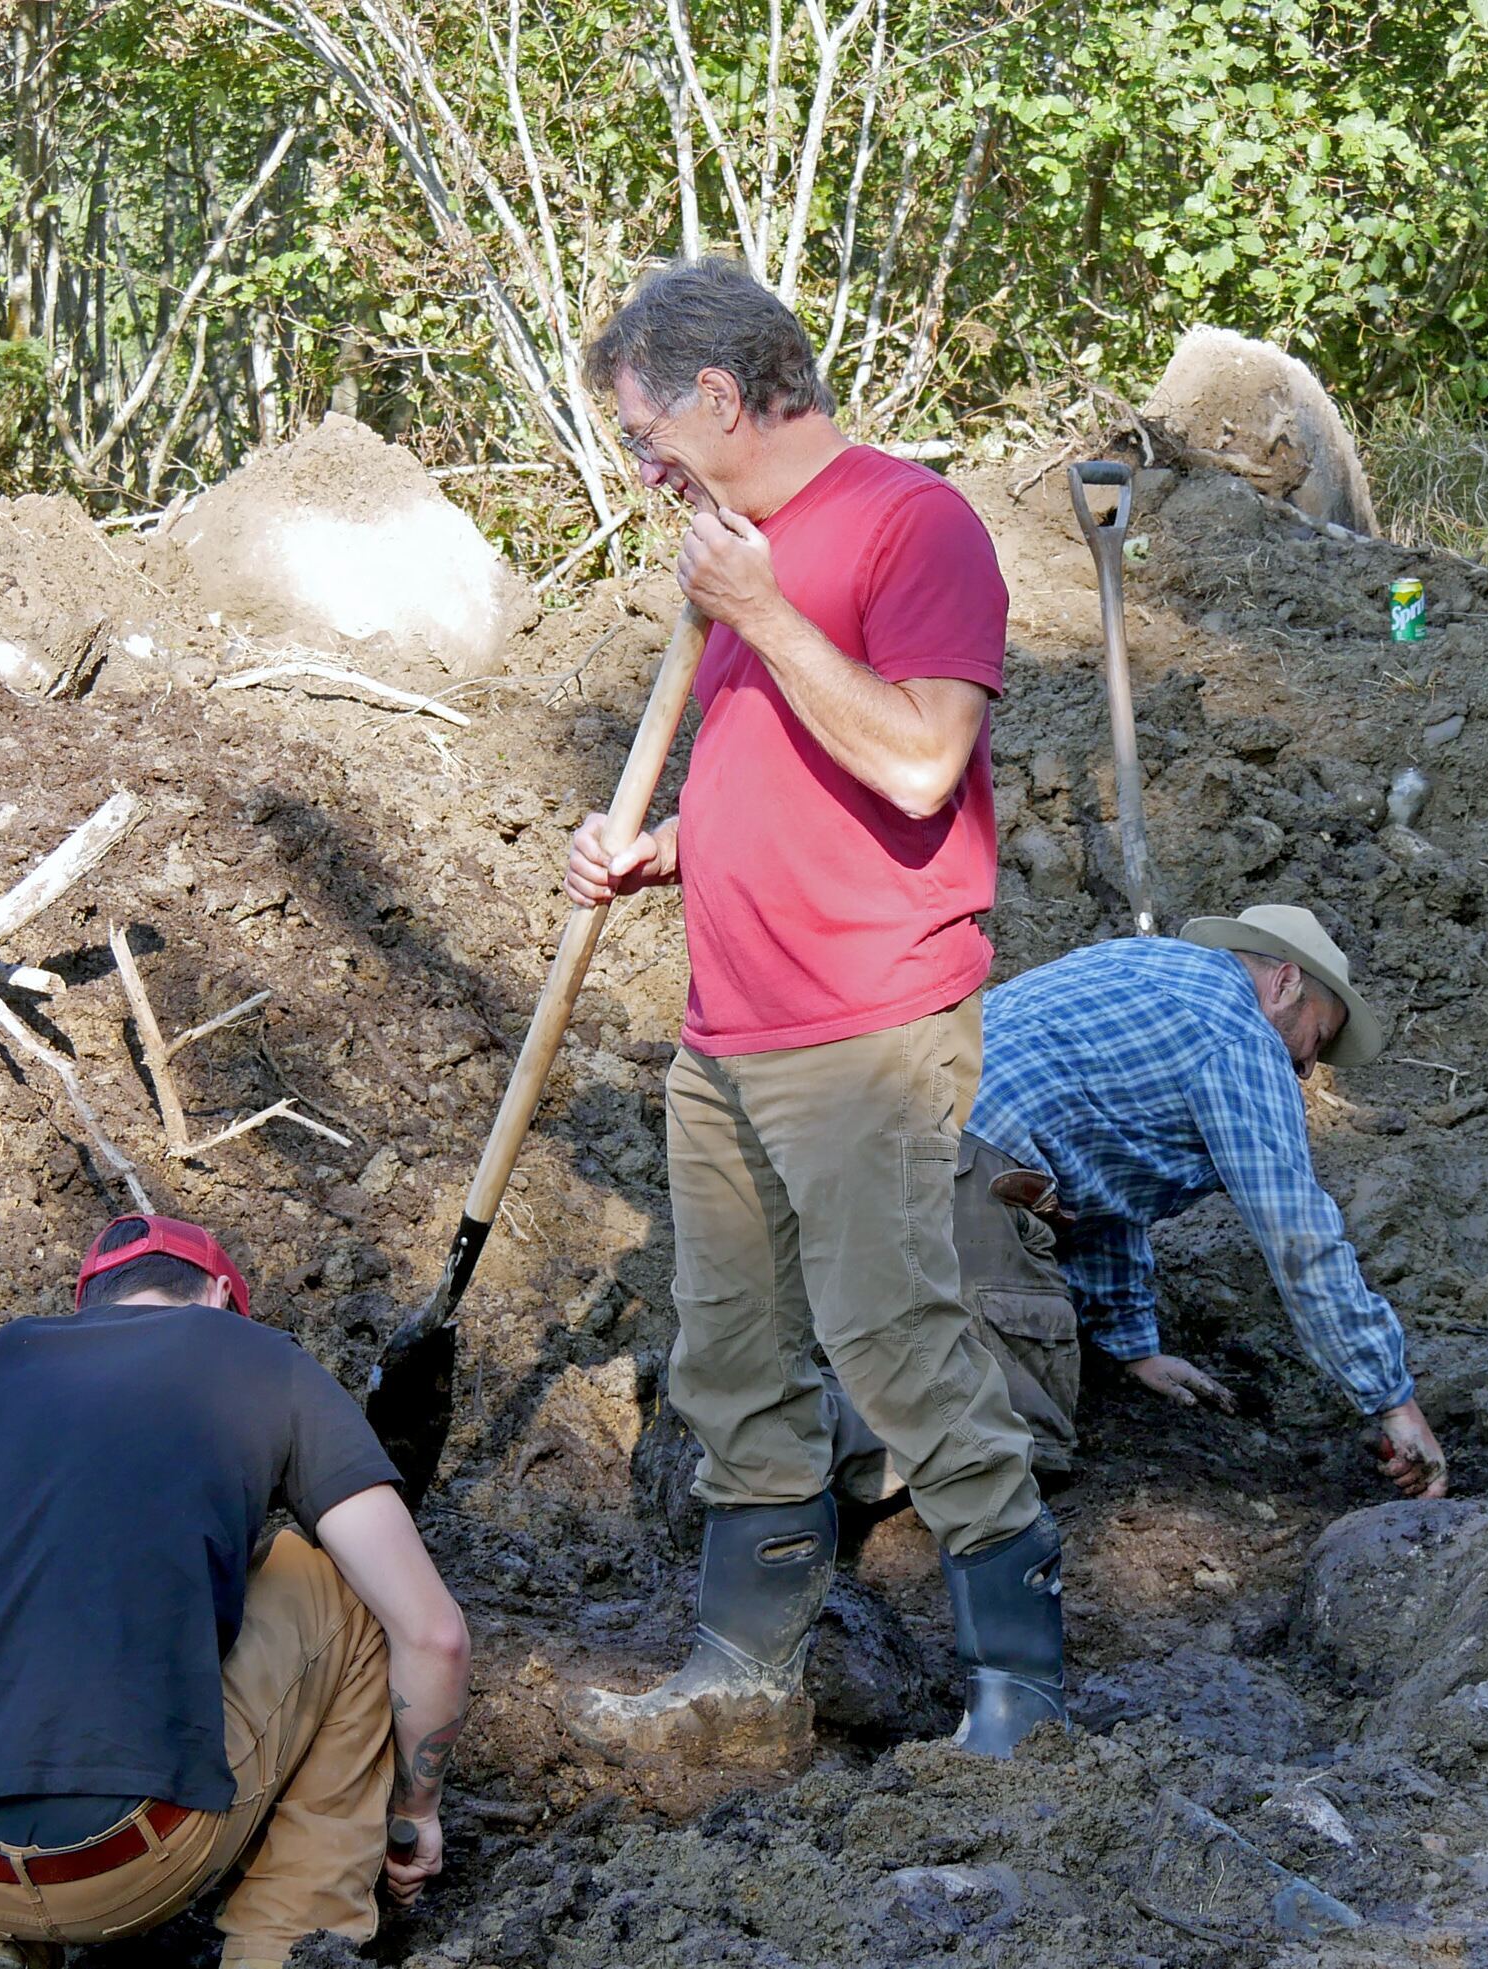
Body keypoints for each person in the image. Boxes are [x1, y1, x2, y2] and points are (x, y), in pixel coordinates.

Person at [551, 258, 1063, 1767]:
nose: (642, 466)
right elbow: (786, 767)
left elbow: (915, 763)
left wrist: (765, 611)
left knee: (898, 1342)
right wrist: (663, 846)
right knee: (730, 1355)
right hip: (728, 1025)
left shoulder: (913, 526)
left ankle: (1017, 1695)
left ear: (719, 396)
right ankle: (741, 1670)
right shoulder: (742, 549)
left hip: (866, 1024)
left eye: (648, 432)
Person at [0, 1216, 470, 1969]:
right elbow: (433, 1633)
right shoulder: (255, 1357)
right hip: (122, 1855)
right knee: (345, 1590)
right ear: (218, 1297)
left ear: (91, 1306)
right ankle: (289, 1942)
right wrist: (416, 1811)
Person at [840, 905, 1448, 1500]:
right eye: (1319, 1037)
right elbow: (1298, 1235)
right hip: (965, 1170)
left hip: (857, 1140)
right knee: (997, 1446)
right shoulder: (1238, 1035)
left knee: (884, 1353)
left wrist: (1136, 1350)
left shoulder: (1133, 965)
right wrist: (1392, 1401)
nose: (1308, 1069)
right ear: (1285, 984)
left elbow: (1107, 1186)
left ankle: (774, 1428)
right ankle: (776, 1468)